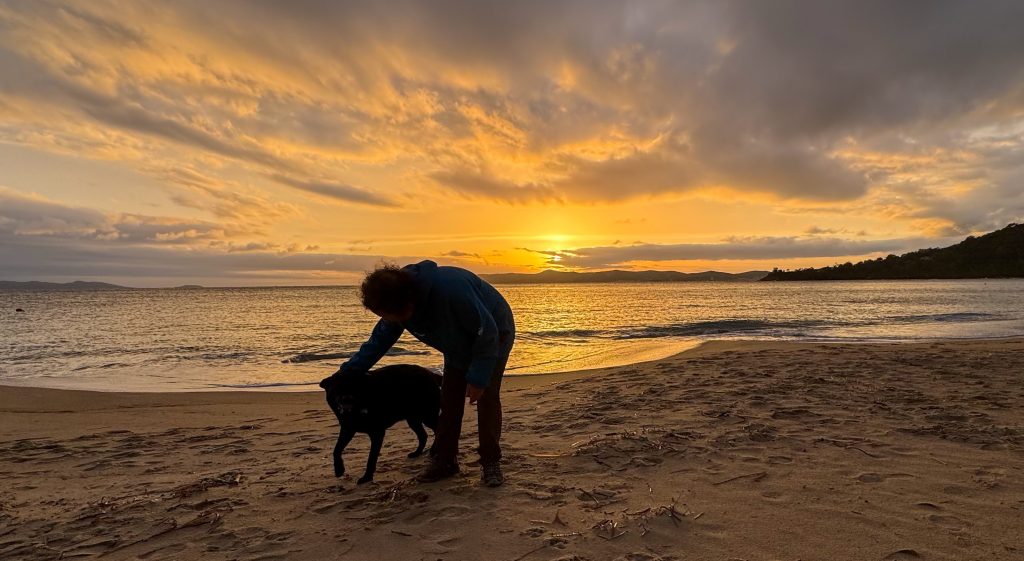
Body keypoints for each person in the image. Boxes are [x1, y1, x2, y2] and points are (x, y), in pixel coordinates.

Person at [326, 260, 515, 486]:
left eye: (386, 314)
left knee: (486, 397)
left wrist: (478, 378)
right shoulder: (396, 304)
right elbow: (378, 342)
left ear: (405, 303)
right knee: (449, 399)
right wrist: (348, 371)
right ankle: (445, 461)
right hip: (456, 345)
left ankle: (491, 462)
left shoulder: (451, 292)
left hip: (494, 335)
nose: (386, 319)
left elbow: (487, 334)